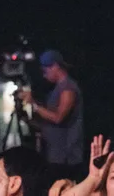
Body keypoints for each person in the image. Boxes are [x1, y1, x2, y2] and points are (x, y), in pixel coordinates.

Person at [21, 50, 84, 180]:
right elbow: (49, 123)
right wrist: (26, 118)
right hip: (55, 155)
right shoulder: (56, 89)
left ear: (55, 66)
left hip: (66, 157)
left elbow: (58, 117)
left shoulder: (68, 88)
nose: (44, 75)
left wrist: (34, 104)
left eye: (46, 71)